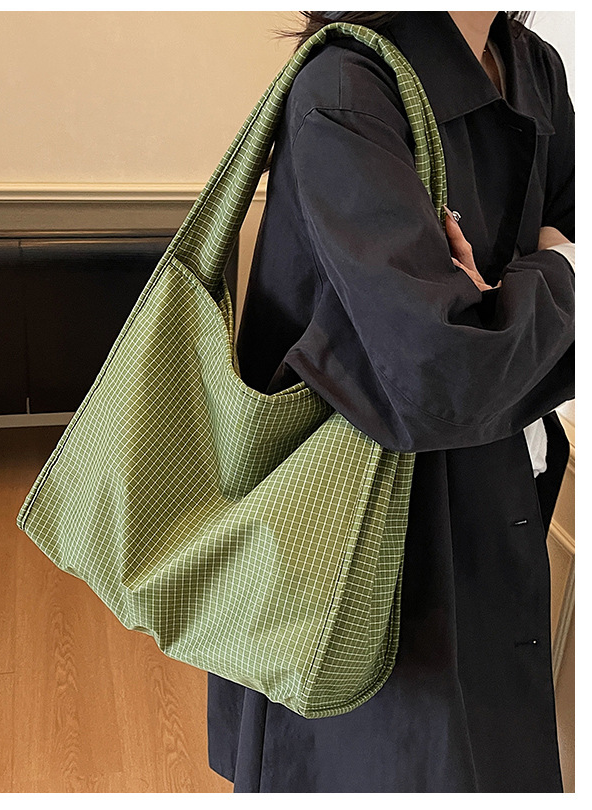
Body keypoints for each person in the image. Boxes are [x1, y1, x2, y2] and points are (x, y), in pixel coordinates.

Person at [206, 11, 574, 793]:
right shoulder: (346, 87)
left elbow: (556, 250)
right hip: (367, 537)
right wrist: (557, 275)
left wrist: (505, 304)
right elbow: (445, 374)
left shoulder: (533, 65)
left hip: (499, 492)